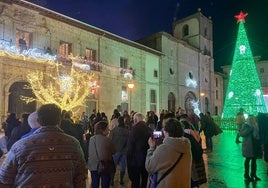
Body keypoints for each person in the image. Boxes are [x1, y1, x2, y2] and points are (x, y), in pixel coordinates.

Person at [0, 103, 87, 187]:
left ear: (38, 121)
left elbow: (4, 177)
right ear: (59, 121)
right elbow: (81, 176)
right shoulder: (73, 144)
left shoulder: (21, 145)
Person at [145, 118, 192, 187]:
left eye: (164, 129)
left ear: (167, 132)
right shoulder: (186, 146)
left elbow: (149, 166)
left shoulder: (164, 149)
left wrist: (151, 148)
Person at [127, 113, 152, 188]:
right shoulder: (149, 130)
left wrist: (129, 162)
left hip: (135, 161)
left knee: (135, 182)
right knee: (144, 180)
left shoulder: (133, 130)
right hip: (146, 159)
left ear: (135, 120)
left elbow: (130, 148)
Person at [88, 121, 116, 188]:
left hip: (93, 165)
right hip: (105, 165)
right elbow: (114, 151)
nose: (108, 130)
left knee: (95, 184)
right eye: (107, 128)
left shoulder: (92, 139)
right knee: (105, 184)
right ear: (103, 130)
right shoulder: (107, 140)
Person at [239, 115, 262, 182]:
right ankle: (246, 175)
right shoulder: (245, 126)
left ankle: (253, 174)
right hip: (248, 146)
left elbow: (257, 135)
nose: (252, 120)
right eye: (250, 119)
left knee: (254, 161)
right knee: (248, 159)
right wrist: (250, 129)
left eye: (253, 118)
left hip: (255, 146)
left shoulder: (256, 125)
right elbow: (241, 134)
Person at [109, 116, 129, 185]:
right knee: (123, 166)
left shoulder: (113, 131)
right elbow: (128, 143)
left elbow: (110, 140)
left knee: (113, 166)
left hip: (115, 150)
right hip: (124, 151)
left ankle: (112, 180)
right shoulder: (127, 131)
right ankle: (121, 180)